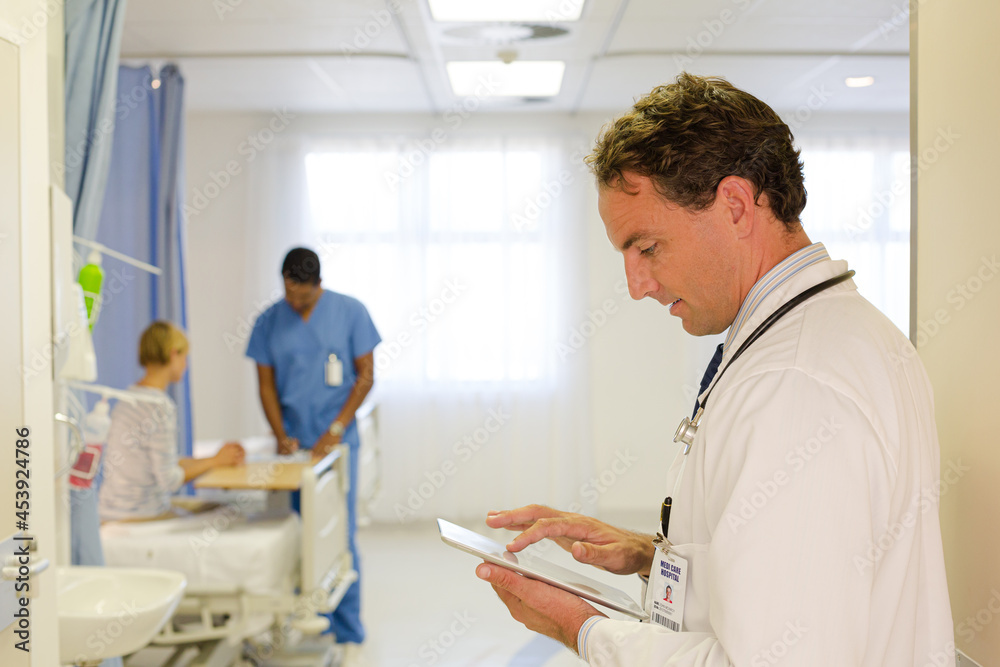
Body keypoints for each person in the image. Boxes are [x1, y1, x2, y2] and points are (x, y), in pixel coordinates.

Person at [475, 74, 954, 665]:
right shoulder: (830, 336)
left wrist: (583, 628)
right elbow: (800, 575)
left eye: (646, 247)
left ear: (733, 205)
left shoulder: (796, 384)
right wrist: (656, 558)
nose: (636, 286)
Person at [246, 247, 381, 646]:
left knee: (337, 532)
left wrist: (336, 429)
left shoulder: (350, 312)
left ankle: (346, 627)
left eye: (302, 297)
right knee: (297, 531)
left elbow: (366, 375)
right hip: (294, 446)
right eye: (289, 294)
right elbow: (266, 384)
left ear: (318, 285)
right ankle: (302, 616)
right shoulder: (269, 321)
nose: (294, 302)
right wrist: (280, 434)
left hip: (337, 444)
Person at [99, 321, 245, 521]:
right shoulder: (159, 407)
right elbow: (170, 480)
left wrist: (216, 458)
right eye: (185, 357)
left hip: (110, 511)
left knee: (212, 507)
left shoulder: (127, 399)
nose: (186, 364)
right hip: (141, 514)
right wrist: (215, 461)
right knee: (230, 513)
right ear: (173, 354)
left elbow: (160, 463)